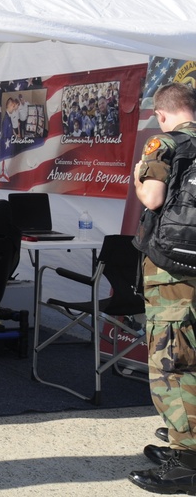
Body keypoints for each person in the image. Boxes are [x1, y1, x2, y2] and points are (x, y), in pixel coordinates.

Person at [129, 82, 196, 494]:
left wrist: (138, 178)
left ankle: (184, 461)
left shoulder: (164, 143)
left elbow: (152, 198)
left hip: (173, 273)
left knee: (172, 364)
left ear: (162, 113)